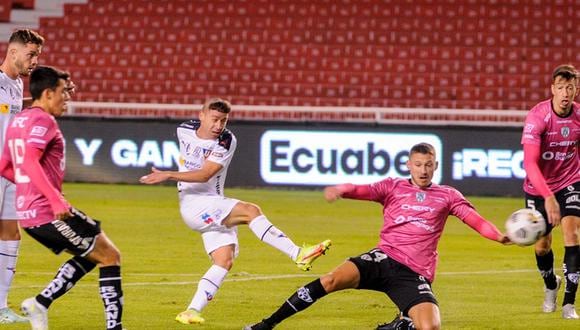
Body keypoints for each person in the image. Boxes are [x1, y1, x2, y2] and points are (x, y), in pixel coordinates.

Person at [244, 142, 509, 330]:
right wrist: (340, 188)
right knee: (330, 279)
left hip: (413, 272)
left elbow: (474, 220)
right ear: (409, 164)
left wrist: (499, 237)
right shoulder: (393, 186)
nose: (423, 170)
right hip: (382, 258)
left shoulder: (448, 195)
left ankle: (402, 324)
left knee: (430, 326)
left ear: (435, 165)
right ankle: (266, 325)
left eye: (428, 165)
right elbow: (360, 189)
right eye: (418, 164)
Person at [139, 98, 331, 325]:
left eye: (223, 120)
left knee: (224, 260)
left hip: (211, 202)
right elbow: (196, 170)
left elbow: (204, 174)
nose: (219, 125)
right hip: (194, 204)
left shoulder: (226, 140)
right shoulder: (184, 129)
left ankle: (191, 310)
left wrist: (169, 174)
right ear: (201, 116)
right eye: (214, 119)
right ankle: (297, 254)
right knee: (251, 211)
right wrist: (171, 174)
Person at [0, 66, 124, 330]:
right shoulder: (43, 120)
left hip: (29, 213)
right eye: (62, 92)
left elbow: (4, 166)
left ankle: (41, 303)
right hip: (47, 211)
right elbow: (31, 161)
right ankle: (114, 328)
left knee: (96, 254)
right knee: (110, 256)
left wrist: (26, 191)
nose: (67, 98)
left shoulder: (18, 120)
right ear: (47, 93)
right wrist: (53, 199)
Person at [522, 64, 580, 319]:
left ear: (576, 90)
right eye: (560, 87)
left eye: (570, 87)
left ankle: (569, 303)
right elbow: (529, 163)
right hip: (539, 187)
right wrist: (547, 197)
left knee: (572, 232)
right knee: (542, 245)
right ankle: (551, 285)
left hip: (570, 180)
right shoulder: (538, 117)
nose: (565, 93)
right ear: (552, 90)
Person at [0, 28, 44, 324]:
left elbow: (12, 115)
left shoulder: (15, 85)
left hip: (11, 171)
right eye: (31, 55)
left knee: (11, 233)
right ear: (13, 52)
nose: (35, 62)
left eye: (37, 56)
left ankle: (1, 305)